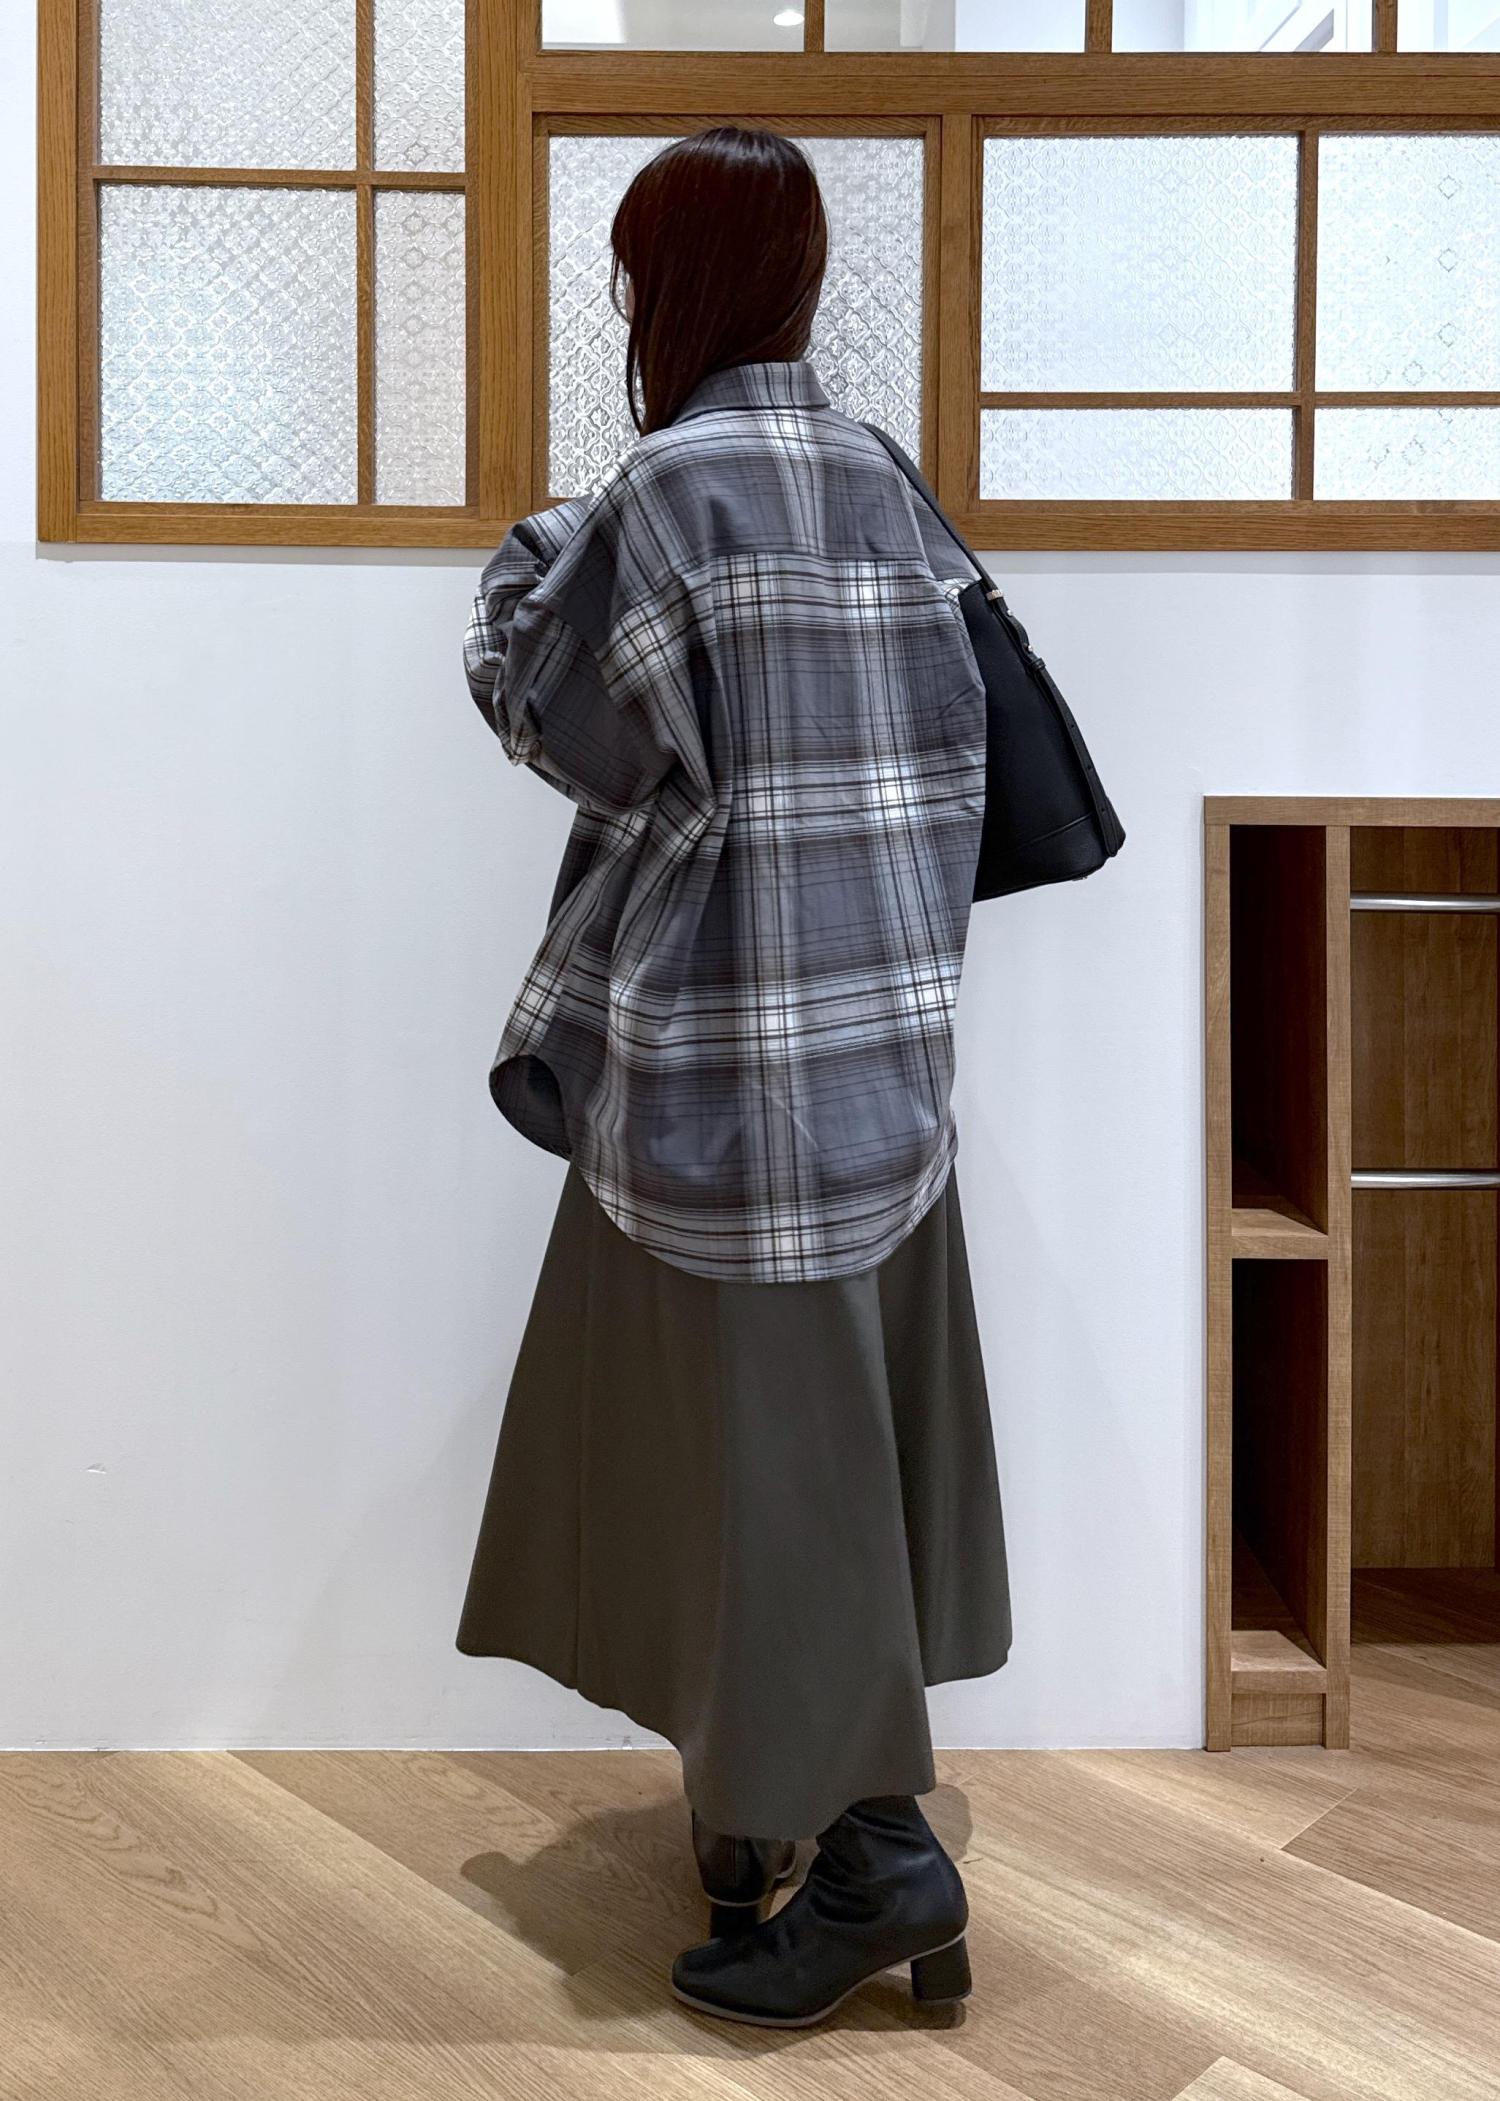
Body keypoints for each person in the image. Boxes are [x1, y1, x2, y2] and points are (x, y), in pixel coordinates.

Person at [454, 124, 1011, 2029]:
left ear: (671, 286)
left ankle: (878, 1856)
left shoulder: (668, 491)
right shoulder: (884, 479)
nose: (623, 301)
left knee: (756, 1480)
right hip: (880, 1060)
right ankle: (760, 1800)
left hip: (721, 1076)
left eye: (633, 273)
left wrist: (523, 565)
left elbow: (557, 715)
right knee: (814, 1461)